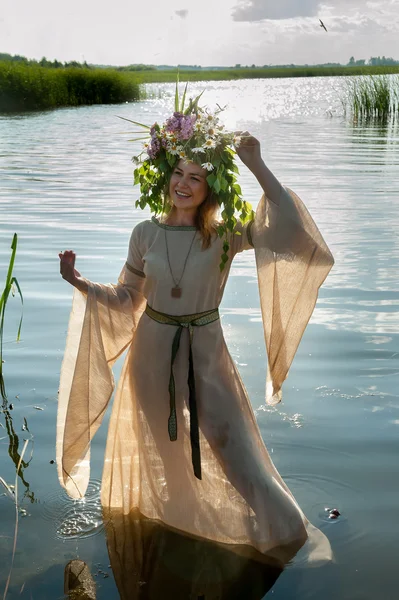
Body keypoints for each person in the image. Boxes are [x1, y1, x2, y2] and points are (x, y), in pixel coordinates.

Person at [57, 92, 334, 572]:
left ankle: (292, 536)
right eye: (178, 173)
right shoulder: (145, 232)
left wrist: (257, 165)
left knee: (235, 450)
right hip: (151, 351)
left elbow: (290, 233)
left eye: (196, 177)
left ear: (211, 187)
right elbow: (128, 299)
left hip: (206, 351)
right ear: (165, 175)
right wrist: (80, 284)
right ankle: (182, 529)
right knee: (163, 454)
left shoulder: (225, 235)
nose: (183, 184)